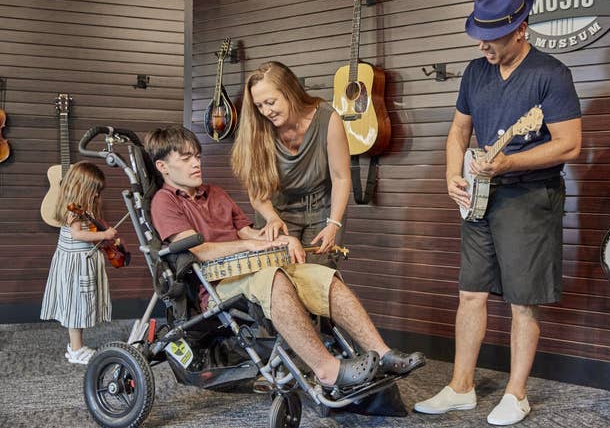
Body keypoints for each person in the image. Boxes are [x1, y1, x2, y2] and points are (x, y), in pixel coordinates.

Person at [413, 0, 582, 425]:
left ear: (521, 29)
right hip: (478, 197)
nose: (483, 44)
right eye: (478, 34)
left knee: (522, 302)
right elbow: (458, 132)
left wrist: (509, 163)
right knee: (469, 293)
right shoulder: (475, 71)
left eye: (493, 36)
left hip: (530, 198)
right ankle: (461, 387)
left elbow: (569, 145)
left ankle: (516, 394)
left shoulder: (551, 74)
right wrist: (453, 174)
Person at [145, 125, 424, 390]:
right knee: (274, 278)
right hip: (216, 285)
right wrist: (248, 247)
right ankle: (327, 370)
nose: (196, 163)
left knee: (323, 276)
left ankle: (384, 354)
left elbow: (246, 233)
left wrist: (281, 240)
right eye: (186, 158)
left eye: (197, 156)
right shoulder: (164, 201)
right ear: (163, 167)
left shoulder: (215, 193)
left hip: (251, 269)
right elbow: (197, 250)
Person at [231, 61, 350, 268]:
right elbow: (257, 192)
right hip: (277, 210)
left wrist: (334, 224)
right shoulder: (257, 128)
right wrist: (272, 219)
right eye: (259, 106)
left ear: (290, 92)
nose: (266, 112)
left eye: (270, 102)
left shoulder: (328, 120)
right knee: (279, 276)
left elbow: (341, 177)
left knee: (318, 277)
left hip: (322, 208)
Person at [40, 161, 116, 364]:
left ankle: (77, 346)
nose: (97, 196)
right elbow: (77, 234)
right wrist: (104, 234)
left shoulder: (81, 208)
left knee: (78, 307)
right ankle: (76, 350)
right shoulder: (74, 210)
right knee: (75, 307)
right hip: (76, 266)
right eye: (95, 192)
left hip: (78, 263)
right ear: (82, 188)